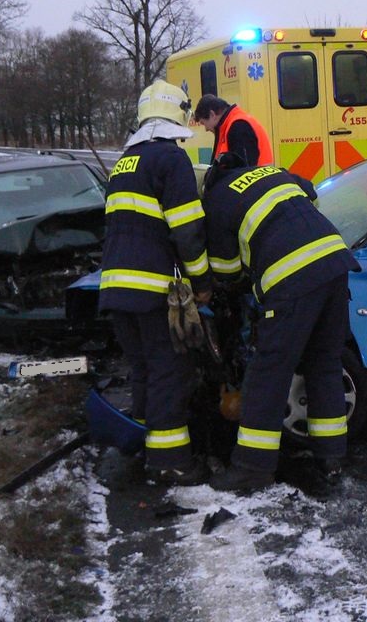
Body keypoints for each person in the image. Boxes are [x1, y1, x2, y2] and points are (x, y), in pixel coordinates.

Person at [201, 153, 359, 493]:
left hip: (291, 278)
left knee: (268, 371)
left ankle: (252, 468)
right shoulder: (270, 172)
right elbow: (311, 193)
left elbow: (226, 270)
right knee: (324, 364)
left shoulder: (216, 200)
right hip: (335, 262)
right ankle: (330, 455)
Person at [99, 79, 213, 486]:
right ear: (176, 117)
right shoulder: (171, 160)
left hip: (114, 288)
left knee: (144, 369)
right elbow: (187, 231)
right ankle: (171, 463)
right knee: (169, 370)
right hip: (151, 289)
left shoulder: (124, 163)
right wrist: (202, 283)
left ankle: (146, 444)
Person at [193, 94, 273, 167]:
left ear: (212, 115)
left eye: (203, 123)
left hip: (259, 182)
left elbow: (243, 170)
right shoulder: (228, 127)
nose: (206, 129)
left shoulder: (238, 127)